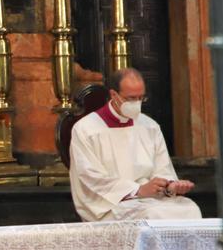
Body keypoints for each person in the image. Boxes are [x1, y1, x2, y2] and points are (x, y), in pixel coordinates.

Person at [69, 68, 202, 221]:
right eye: (131, 98)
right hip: (111, 204)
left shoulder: (149, 126)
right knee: (154, 215)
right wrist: (137, 190)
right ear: (113, 95)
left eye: (141, 98)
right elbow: (90, 178)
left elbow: (162, 168)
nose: (137, 104)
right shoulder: (86, 129)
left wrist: (169, 186)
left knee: (190, 210)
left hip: (152, 199)